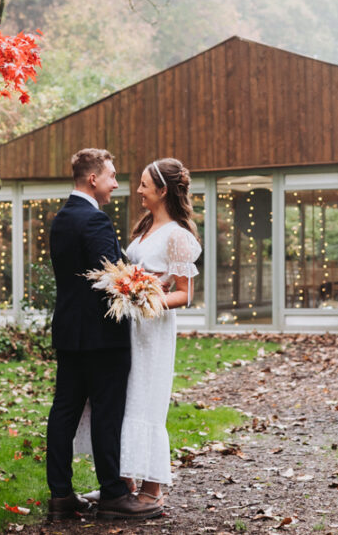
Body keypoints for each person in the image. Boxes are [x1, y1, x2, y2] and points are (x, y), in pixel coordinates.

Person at [75, 158, 201, 509]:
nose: (139, 189)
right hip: (129, 327)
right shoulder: (145, 227)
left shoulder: (177, 235)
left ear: (162, 190)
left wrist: (146, 298)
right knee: (125, 401)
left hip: (153, 332)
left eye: (145, 184)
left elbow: (185, 293)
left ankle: (152, 492)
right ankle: (122, 485)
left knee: (146, 403)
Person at [45, 149, 161, 521]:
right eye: (111, 175)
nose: (115, 182)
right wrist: (147, 284)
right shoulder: (94, 220)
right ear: (92, 179)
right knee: (107, 414)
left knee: (64, 410)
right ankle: (113, 492)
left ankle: (61, 494)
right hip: (101, 337)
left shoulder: (62, 218)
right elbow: (113, 280)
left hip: (69, 333)